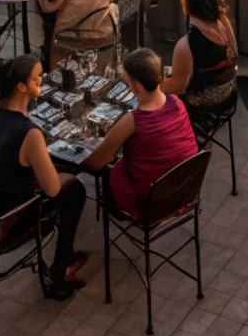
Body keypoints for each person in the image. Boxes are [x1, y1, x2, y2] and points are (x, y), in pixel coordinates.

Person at [0, 53, 88, 301]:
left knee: (61, 176)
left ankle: (64, 259)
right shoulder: (30, 133)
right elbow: (54, 189)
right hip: (7, 224)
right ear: (22, 86)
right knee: (75, 189)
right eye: (38, 79)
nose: (42, 82)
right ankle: (59, 273)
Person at [84, 47, 197, 221]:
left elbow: (95, 162)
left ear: (136, 86)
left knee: (106, 172)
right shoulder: (176, 102)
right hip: (184, 190)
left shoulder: (133, 121)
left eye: (126, 79)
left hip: (152, 204)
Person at [164, 0, 238, 132]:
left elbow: (178, 87)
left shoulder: (186, 44)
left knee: (152, 98)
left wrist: (152, 85)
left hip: (202, 106)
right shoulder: (223, 22)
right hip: (228, 98)